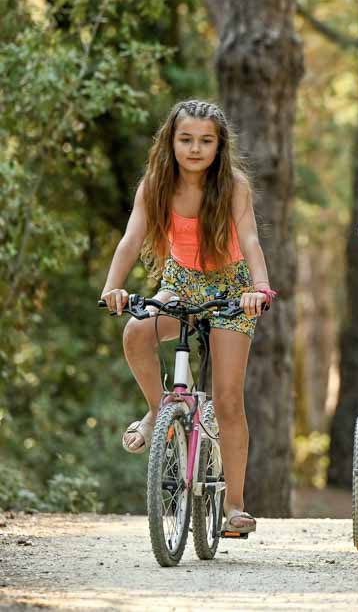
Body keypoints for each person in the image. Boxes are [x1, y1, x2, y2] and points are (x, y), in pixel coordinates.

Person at [100, 100, 275, 534]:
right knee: (136, 332)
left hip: (233, 289)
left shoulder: (233, 185)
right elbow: (131, 239)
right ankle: (159, 409)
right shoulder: (155, 185)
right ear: (171, 141)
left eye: (205, 141)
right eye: (186, 139)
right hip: (181, 284)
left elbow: (250, 240)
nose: (195, 149)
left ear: (219, 146)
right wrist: (112, 287)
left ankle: (234, 505)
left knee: (229, 399)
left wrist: (259, 288)